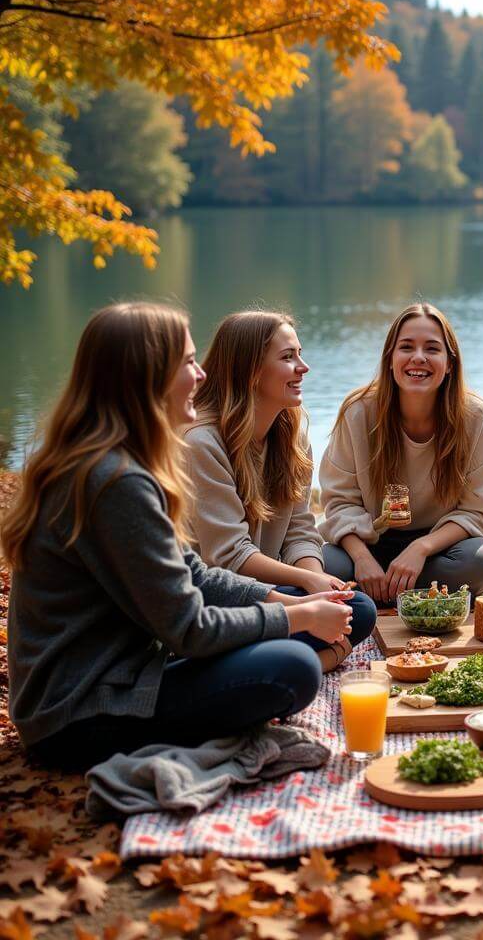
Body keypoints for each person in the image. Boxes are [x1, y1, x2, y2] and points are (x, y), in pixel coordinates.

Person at [2, 302, 352, 772]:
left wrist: (289, 604)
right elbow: (190, 629)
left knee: (327, 627)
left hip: (130, 677)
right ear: (147, 375)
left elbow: (194, 574)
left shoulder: (120, 463)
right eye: (188, 362)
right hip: (81, 715)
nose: (203, 375)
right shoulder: (113, 481)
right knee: (294, 668)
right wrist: (297, 617)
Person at [185, 311, 376, 672]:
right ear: (251, 370)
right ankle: (308, 660)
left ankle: (281, 657)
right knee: (356, 612)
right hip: (218, 599)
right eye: (288, 357)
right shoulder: (201, 443)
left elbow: (300, 529)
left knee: (354, 609)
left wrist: (318, 582)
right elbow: (228, 555)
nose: (303, 367)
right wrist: (305, 581)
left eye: (299, 354)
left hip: (270, 592)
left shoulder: (291, 434)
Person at [319, 302, 483, 606]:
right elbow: (339, 502)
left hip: (439, 549)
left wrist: (421, 548)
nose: (418, 358)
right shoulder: (358, 412)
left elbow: (477, 510)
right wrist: (362, 558)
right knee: (323, 563)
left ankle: (381, 592)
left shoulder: (474, 416)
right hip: (370, 542)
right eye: (406, 347)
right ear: (390, 359)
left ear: (450, 363)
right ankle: (410, 591)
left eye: (432, 349)